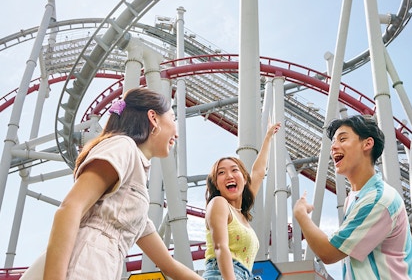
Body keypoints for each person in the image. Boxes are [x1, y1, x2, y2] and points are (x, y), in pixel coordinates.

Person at [20, 87, 203, 280]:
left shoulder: (133, 205)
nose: (177, 132)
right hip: (85, 263)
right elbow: (70, 208)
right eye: (173, 118)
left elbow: (169, 265)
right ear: (153, 118)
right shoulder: (123, 146)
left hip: (101, 267)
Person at [293, 115, 412, 280]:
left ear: (367, 144)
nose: (334, 147)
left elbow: (329, 252)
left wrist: (300, 214)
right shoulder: (354, 198)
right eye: (333, 142)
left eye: (342, 139)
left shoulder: (378, 199)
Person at [202, 123, 281, 280]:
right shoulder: (219, 203)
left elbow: (258, 172)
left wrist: (268, 138)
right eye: (221, 173)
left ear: (245, 179)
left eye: (234, 170)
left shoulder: (241, 214)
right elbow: (220, 247)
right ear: (216, 184)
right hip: (222, 274)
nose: (229, 175)